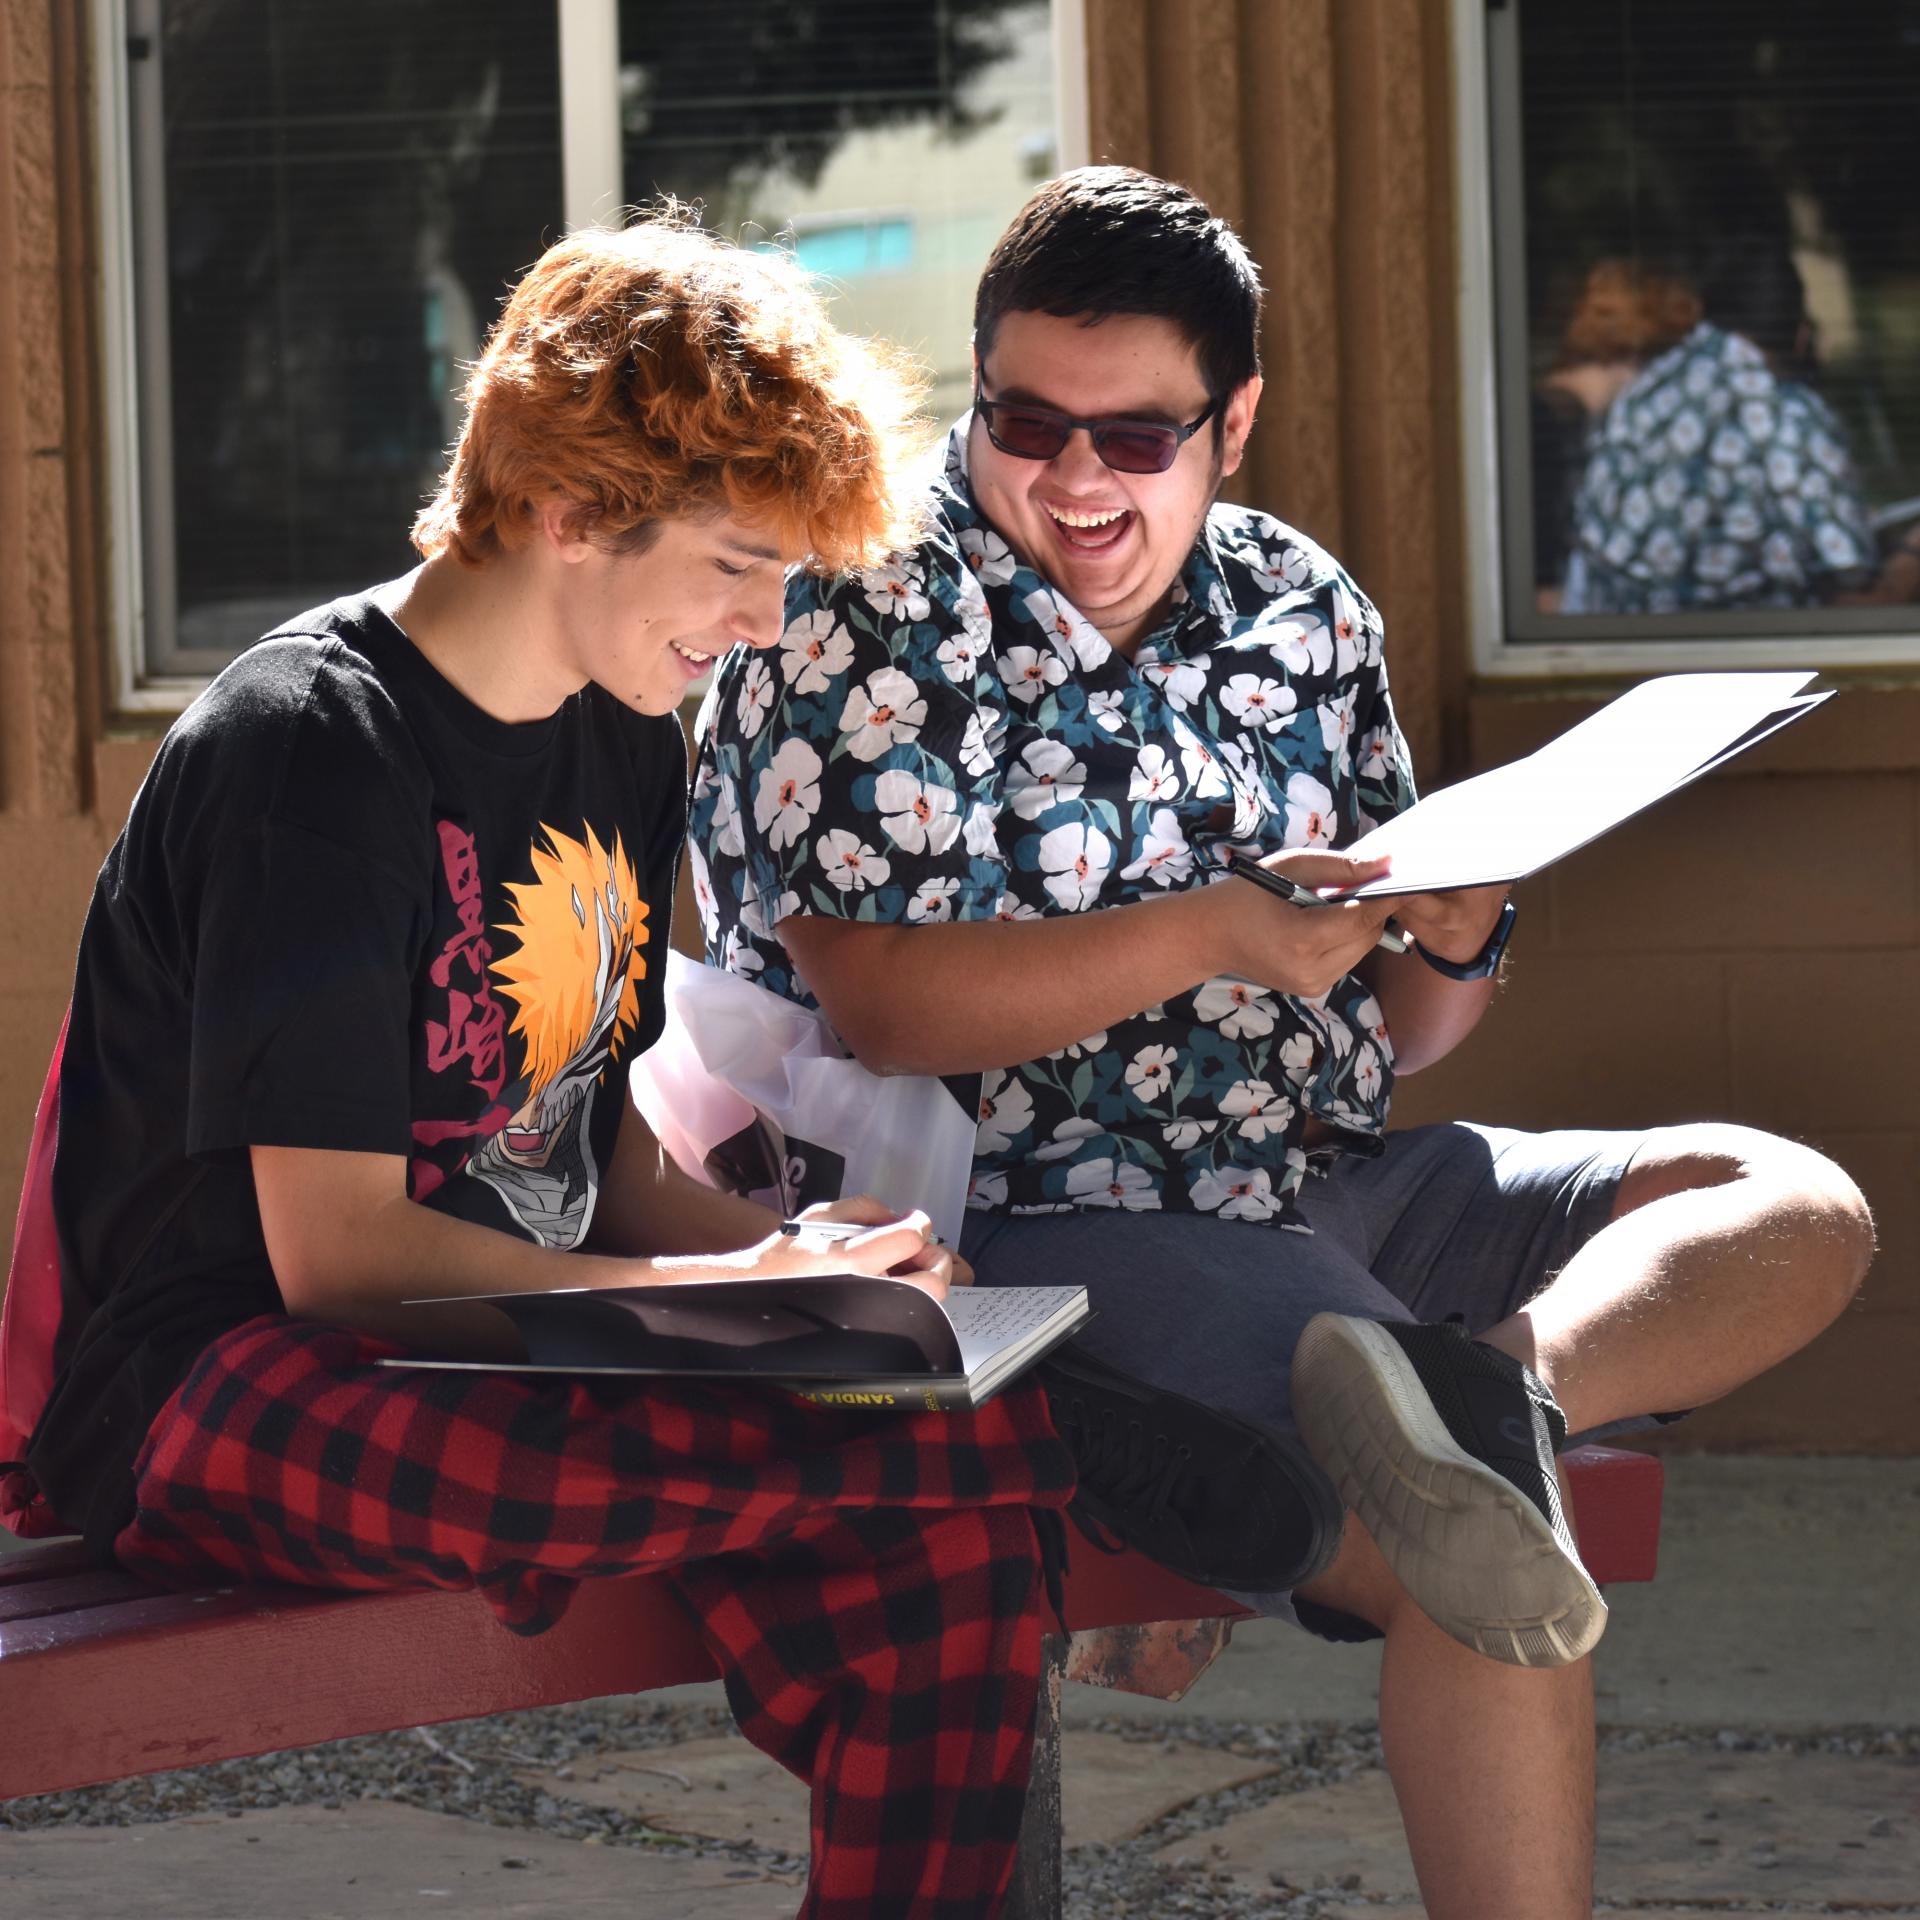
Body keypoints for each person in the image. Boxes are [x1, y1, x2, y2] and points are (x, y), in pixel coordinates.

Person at [20, 212, 1326, 1920]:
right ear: (569, 512)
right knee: (893, 1455)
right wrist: (705, 1311)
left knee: (924, 1512)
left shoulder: (624, 720)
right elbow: (336, 1264)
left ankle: (1005, 1440)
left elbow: (592, 1142)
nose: (766, 617)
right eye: (735, 562)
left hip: (508, 1349)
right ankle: (1048, 1436)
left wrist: (784, 1273)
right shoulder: (311, 754)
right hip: (227, 1390)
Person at [692, 168, 1876, 1918]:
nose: (1077, 476)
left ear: (1232, 420)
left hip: (1334, 1180)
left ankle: (1483, 1392)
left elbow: (1398, 1037)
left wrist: (1460, 930)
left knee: (1791, 1203)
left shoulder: (1300, 607)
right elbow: (882, 995)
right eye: (1028, 422)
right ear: (978, 387)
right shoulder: (859, 607)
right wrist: (1221, 928)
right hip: (1042, 1218)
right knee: (1484, 1547)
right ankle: (1444, 1434)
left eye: (1138, 435)